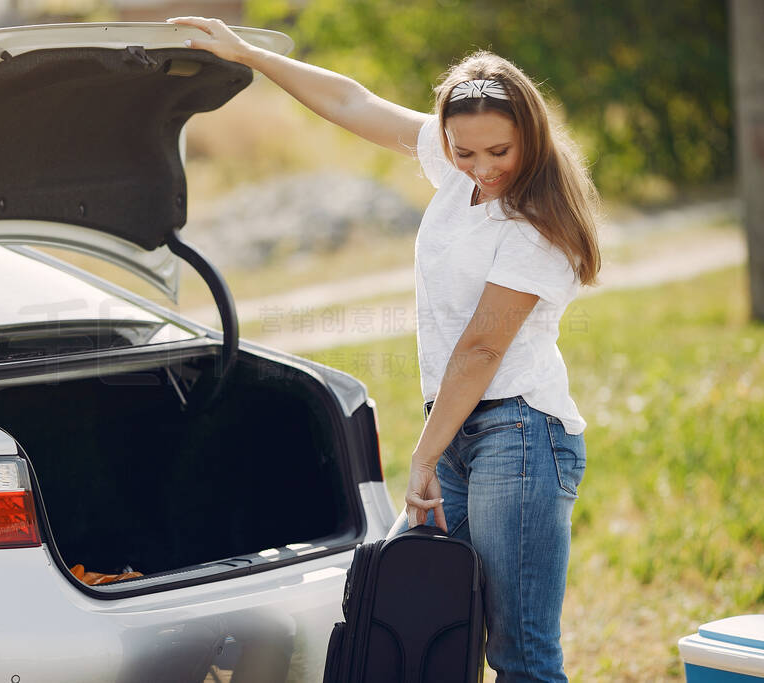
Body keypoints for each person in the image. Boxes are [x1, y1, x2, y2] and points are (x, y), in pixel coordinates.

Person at [167, 16, 600, 683]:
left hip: (518, 435)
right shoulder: (461, 176)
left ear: (531, 139)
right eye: (465, 152)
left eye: (499, 153)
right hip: (462, 429)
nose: (481, 169)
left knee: (520, 657)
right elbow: (352, 103)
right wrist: (250, 54)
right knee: (415, 618)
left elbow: (482, 349)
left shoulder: (537, 225)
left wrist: (423, 453)